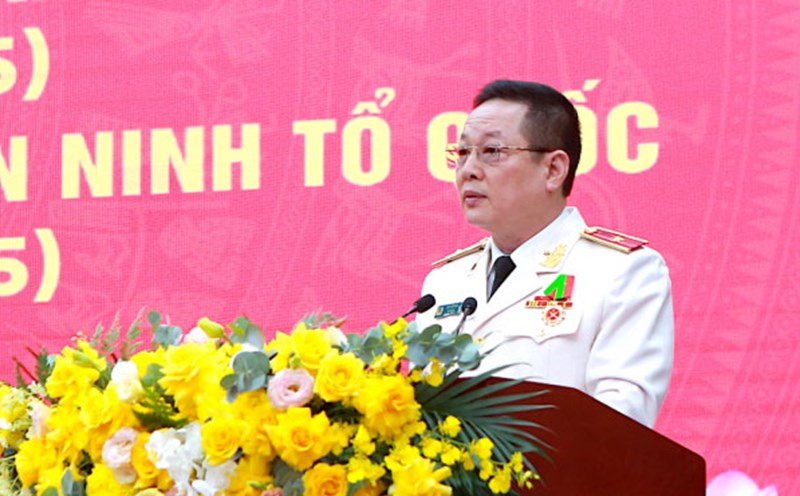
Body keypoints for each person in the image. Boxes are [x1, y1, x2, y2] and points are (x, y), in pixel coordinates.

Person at [415, 79, 673, 428]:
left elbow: (623, 423)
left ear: (553, 170)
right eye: (462, 153)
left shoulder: (622, 271)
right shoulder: (444, 283)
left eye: (492, 151)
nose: (469, 170)